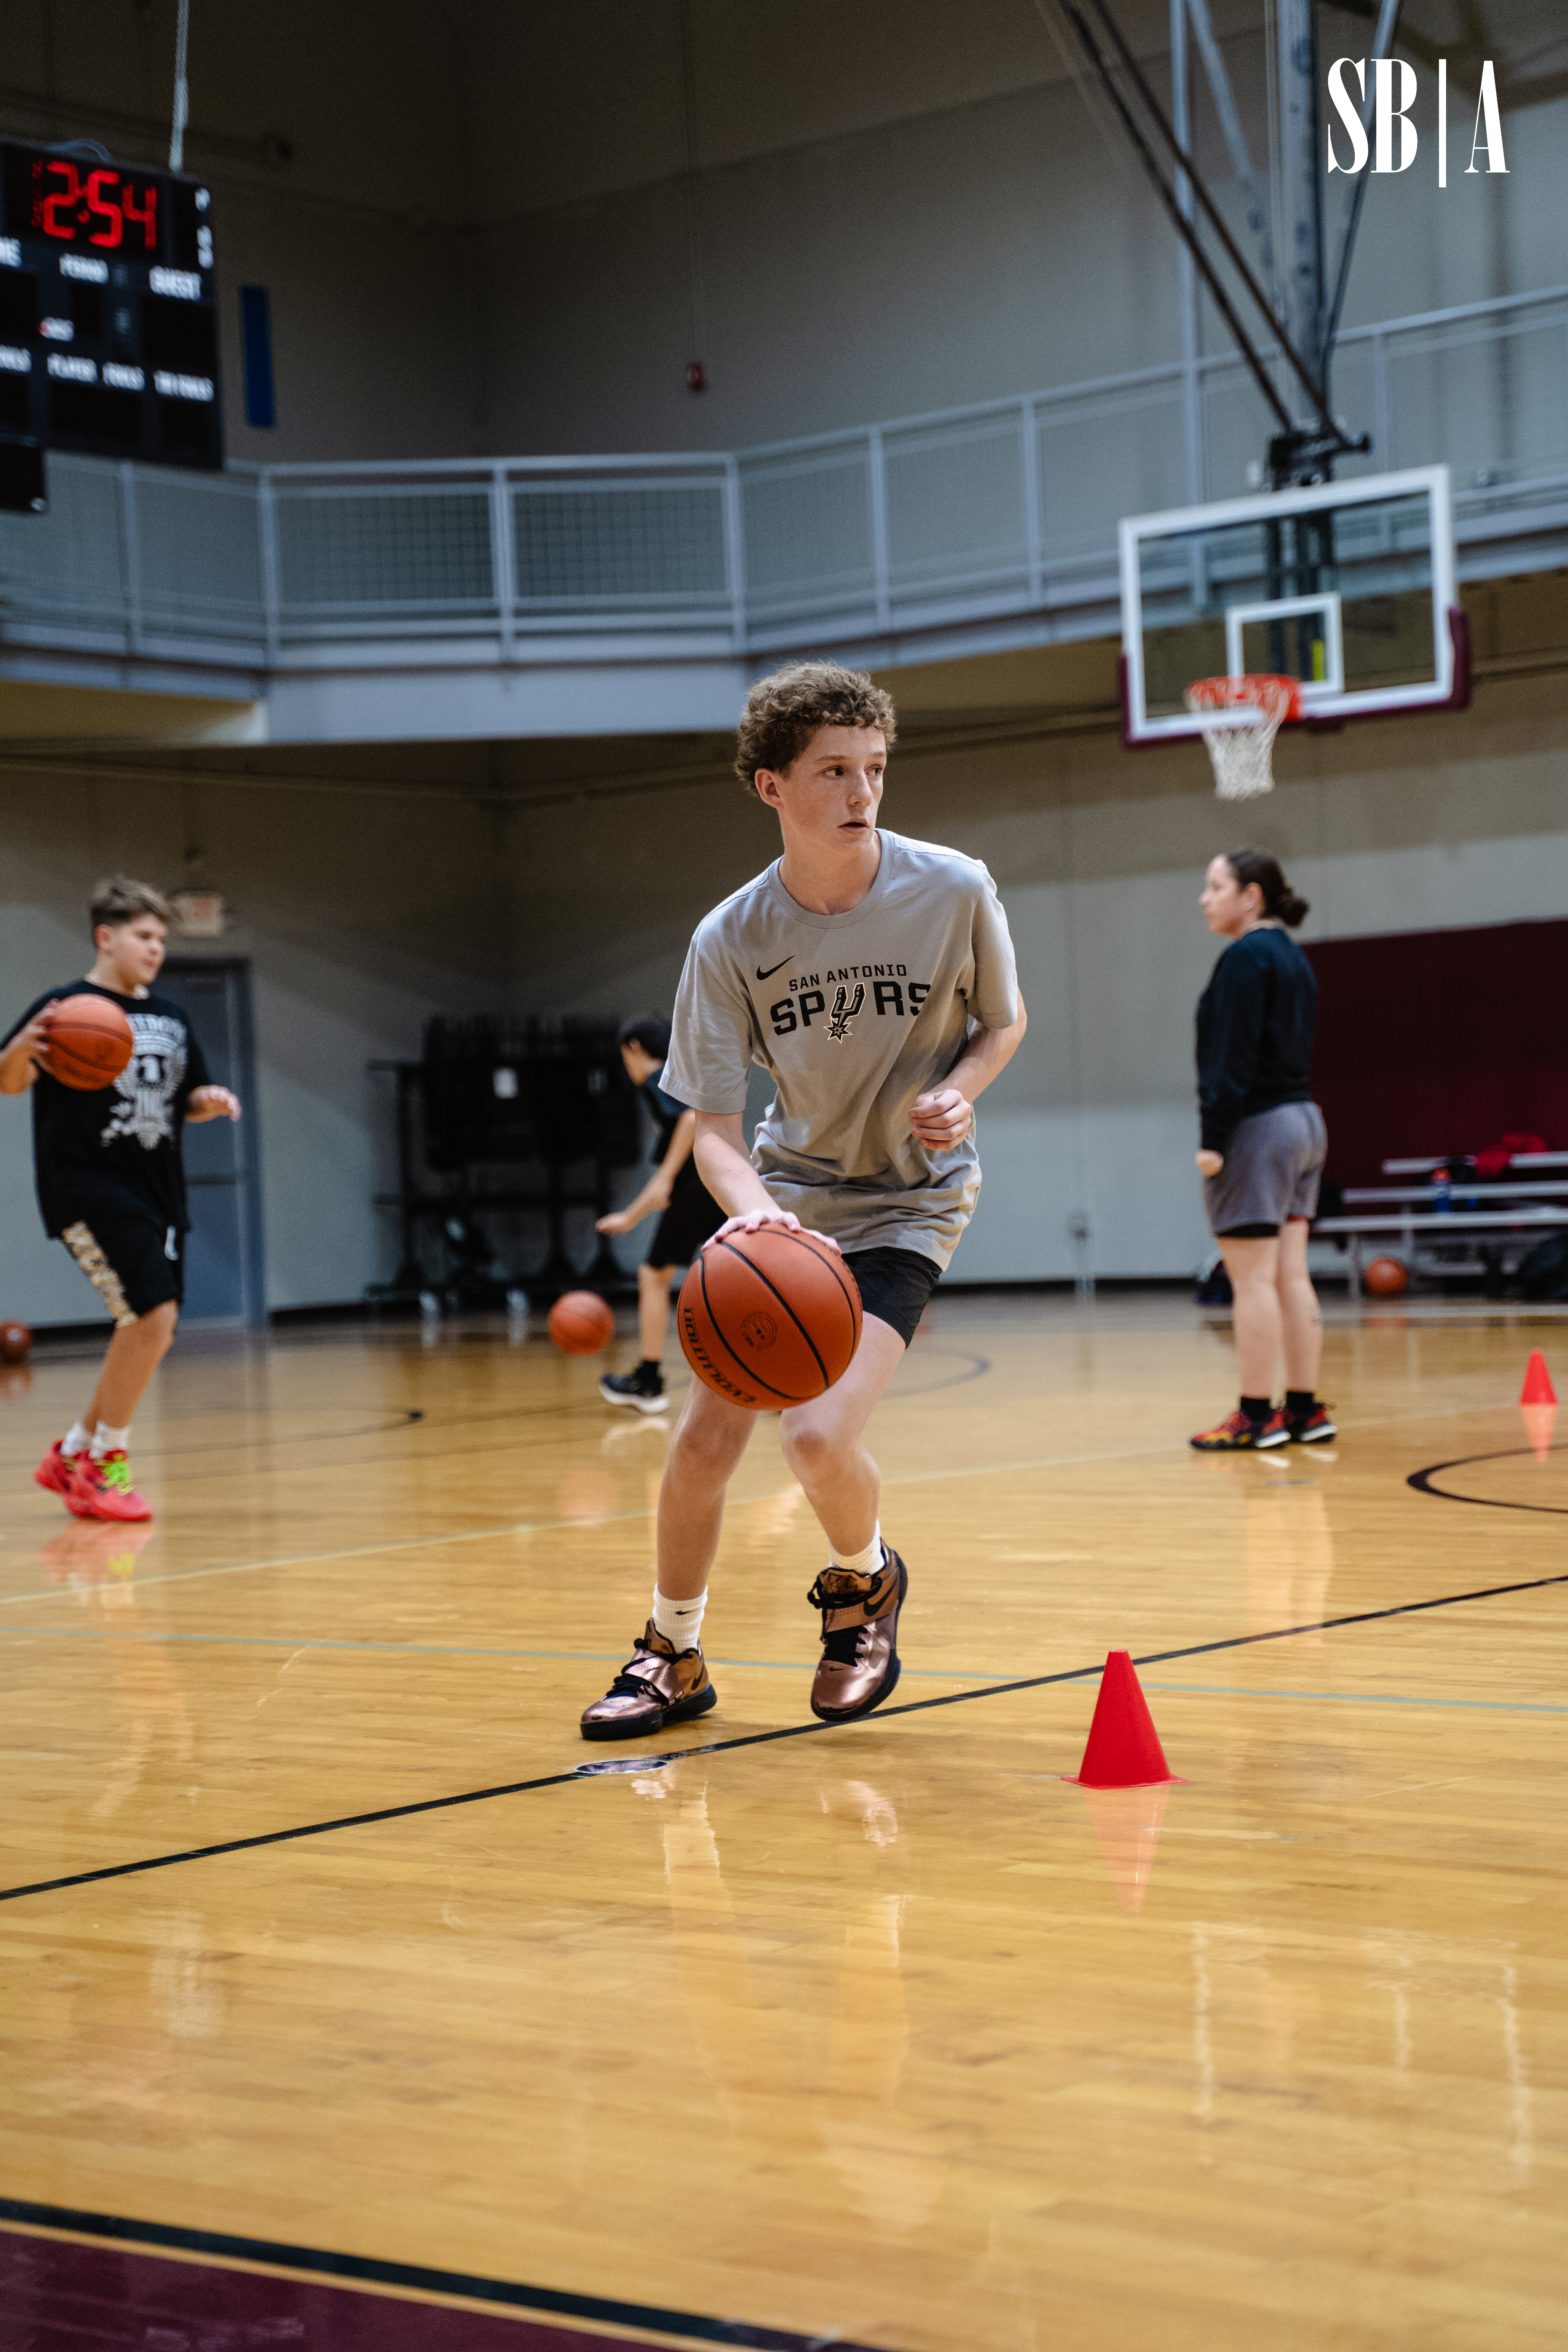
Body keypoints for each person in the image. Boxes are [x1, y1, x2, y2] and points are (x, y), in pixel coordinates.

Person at [580, 661, 1026, 1740]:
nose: (861, 791)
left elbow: (1000, 1024)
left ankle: (862, 1589)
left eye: (874, 768)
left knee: (819, 1440)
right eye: (834, 770)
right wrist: (751, 1212)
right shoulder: (730, 938)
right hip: (792, 1199)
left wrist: (960, 1095)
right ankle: (671, 1652)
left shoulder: (955, 887)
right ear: (771, 785)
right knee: (701, 1444)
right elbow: (718, 1134)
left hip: (912, 1203)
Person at [0, 875, 241, 1520]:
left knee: (151, 1329)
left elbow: (184, 1098)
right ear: (106, 937)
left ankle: (73, 1451)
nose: (155, 948)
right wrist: (23, 1047)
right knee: (153, 1313)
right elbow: (10, 1081)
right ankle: (106, 1463)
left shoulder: (172, 1017)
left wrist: (208, 1103)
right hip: (85, 1185)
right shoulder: (62, 1008)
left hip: (158, 1188)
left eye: (161, 938)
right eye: (143, 936)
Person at [1190, 847, 1334, 1451]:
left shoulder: (1245, 957)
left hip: (1258, 1127)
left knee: (1251, 1280)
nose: (1205, 898)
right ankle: (1303, 1409)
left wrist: (1214, 1139)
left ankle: (1256, 1415)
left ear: (1251, 897)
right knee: (1291, 1275)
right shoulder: (1293, 958)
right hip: (1305, 1123)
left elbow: (1232, 1058)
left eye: (1215, 886)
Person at [596, 1011, 725, 1413]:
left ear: (635, 1049)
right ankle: (785, 1375)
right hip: (718, 1183)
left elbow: (689, 1119)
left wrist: (665, 1178)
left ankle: (648, 1381)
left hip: (697, 1186)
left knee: (653, 1276)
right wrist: (632, 1217)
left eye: (624, 1056)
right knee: (742, 1277)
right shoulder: (684, 1075)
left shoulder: (660, 1078)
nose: (627, 1066)